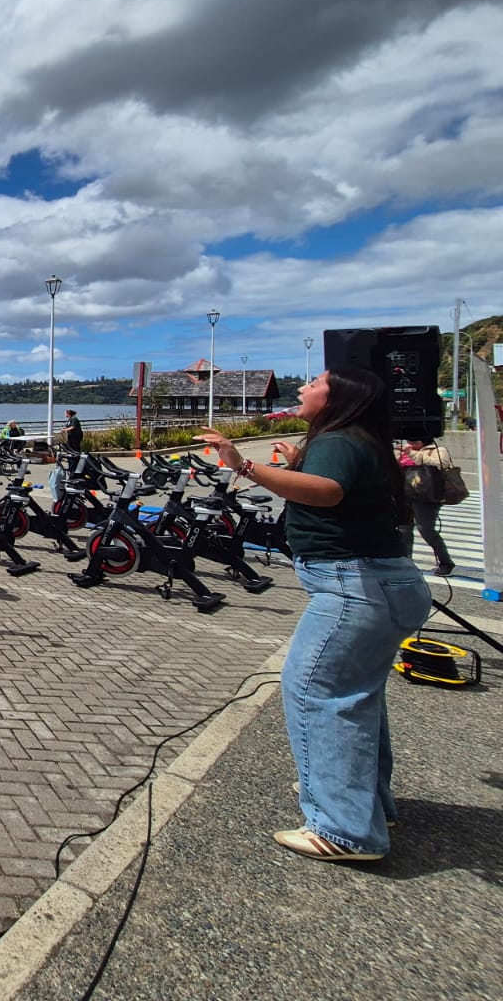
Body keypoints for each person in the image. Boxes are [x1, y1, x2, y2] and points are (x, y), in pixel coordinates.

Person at [199, 367, 431, 862]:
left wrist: (243, 464)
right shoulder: (357, 439)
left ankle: (343, 829)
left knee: (318, 694)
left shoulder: (338, 440)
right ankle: (366, 806)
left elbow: (327, 491)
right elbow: (330, 488)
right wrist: (293, 467)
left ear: (339, 397)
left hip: (355, 587)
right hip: (384, 583)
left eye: (315, 383)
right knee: (356, 699)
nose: (303, 388)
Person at [400, 436, 456, 576]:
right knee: (403, 529)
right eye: (409, 441)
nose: (410, 444)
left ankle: (446, 562)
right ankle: (406, 561)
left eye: (414, 441)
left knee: (426, 530)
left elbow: (441, 464)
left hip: (427, 497)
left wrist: (413, 454)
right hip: (406, 493)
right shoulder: (403, 451)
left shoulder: (437, 450)